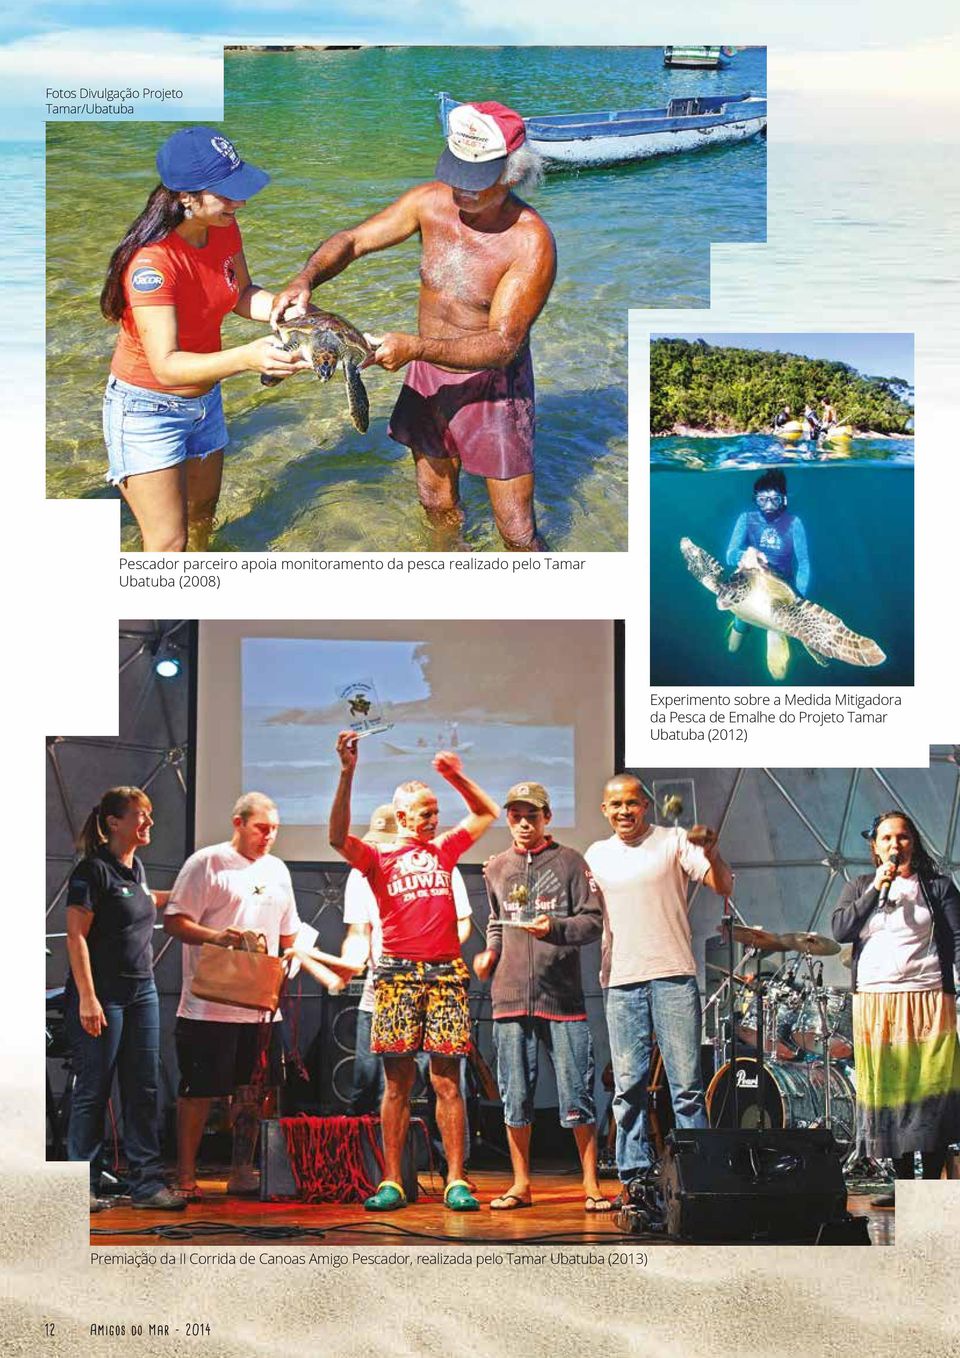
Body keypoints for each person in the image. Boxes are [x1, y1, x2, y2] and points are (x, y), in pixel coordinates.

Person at [270, 101, 557, 551]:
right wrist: (305, 279)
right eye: (456, 171)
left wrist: (414, 348)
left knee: (517, 531)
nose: (460, 188)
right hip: (425, 368)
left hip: (494, 386)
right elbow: (354, 240)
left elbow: (504, 345)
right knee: (435, 502)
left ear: (511, 174)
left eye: (476, 180)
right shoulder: (429, 202)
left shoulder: (529, 241)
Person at [100, 126, 309, 552]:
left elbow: (241, 294)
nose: (241, 202)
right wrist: (248, 358)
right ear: (185, 197)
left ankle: (196, 609)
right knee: (168, 545)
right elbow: (166, 364)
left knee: (202, 520)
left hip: (204, 401)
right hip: (147, 410)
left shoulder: (223, 229)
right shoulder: (153, 263)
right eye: (227, 193)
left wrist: (284, 310)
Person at [328, 731, 499, 1211]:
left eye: (435, 810)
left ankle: (457, 1179)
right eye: (424, 811)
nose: (433, 817)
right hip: (396, 975)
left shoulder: (443, 851)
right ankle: (391, 1181)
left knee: (448, 1079)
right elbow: (337, 837)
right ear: (401, 817)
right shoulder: (378, 858)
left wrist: (456, 776)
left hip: (444, 973)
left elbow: (486, 813)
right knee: (398, 1082)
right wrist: (347, 772)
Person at [584, 774, 733, 1200]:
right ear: (604, 810)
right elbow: (583, 909)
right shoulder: (596, 855)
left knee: (685, 1086)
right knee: (628, 1086)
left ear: (645, 805)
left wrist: (712, 852)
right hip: (621, 980)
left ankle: (698, 1176)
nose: (624, 812)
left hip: (672, 974)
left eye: (631, 803)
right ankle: (633, 1180)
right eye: (615, 805)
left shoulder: (674, 839)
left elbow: (721, 885)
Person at [473, 781, 609, 1211]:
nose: (524, 822)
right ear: (508, 819)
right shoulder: (496, 867)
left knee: (577, 1092)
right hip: (509, 997)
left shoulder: (570, 862)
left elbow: (592, 921)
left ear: (547, 817)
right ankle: (520, 1184)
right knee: (516, 1094)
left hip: (562, 999)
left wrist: (554, 928)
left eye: (532, 815)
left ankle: (591, 1185)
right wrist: (489, 953)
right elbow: (496, 921)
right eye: (516, 815)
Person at [163, 792, 301, 1198]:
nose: (269, 836)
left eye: (274, 829)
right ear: (238, 823)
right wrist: (217, 936)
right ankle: (186, 1174)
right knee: (199, 1091)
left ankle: (242, 1171)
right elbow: (174, 920)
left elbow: (288, 929)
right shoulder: (206, 863)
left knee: (254, 1093)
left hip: (260, 1010)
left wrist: (288, 955)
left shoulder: (278, 869)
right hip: (209, 1006)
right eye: (262, 828)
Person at [64, 787, 184, 1212]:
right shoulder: (92, 871)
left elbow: (144, 903)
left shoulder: (137, 870)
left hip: (141, 992)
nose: (149, 822)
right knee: (94, 1090)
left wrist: (193, 896)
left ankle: (147, 1184)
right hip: (103, 995)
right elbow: (76, 935)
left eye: (149, 815)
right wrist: (88, 998)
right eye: (141, 815)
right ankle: (82, 1185)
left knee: (144, 1088)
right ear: (115, 822)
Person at [831, 810, 960, 1205]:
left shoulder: (936, 886)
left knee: (931, 1093)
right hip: (876, 1002)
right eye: (886, 838)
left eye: (902, 837)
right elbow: (840, 931)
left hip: (928, 999)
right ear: (875, 846)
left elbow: (957, 938)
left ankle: (932, 1189)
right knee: (895, 1095)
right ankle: (904, 1187)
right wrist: (876, 889)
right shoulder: (859, 886)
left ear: (913, 842)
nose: (894, 845)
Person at [341, 803, 474, 1124]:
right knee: (371, 1083)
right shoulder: (360, 875)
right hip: (382, 991)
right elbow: (359, 931)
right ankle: (372, 1168)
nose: (375, 847)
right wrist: (349, 961)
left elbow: (462, 923)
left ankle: (452, 1167)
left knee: (444, 1082)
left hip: (436, 987)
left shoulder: (438, 864)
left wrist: (435, 953)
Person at [725, 468, 810, 677]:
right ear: (755, 500)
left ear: (784, 500)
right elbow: (729, 555)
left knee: (778, 674)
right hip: (749, 588)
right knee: (732, 648)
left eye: (775, 500)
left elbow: (804, 564)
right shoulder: (747, 519)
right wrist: (745, 554)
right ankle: (740, 623)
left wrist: (798, 600)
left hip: (780, 596)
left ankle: (773, 629)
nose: (769, 506)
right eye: (763, 500)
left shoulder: (794, 523)